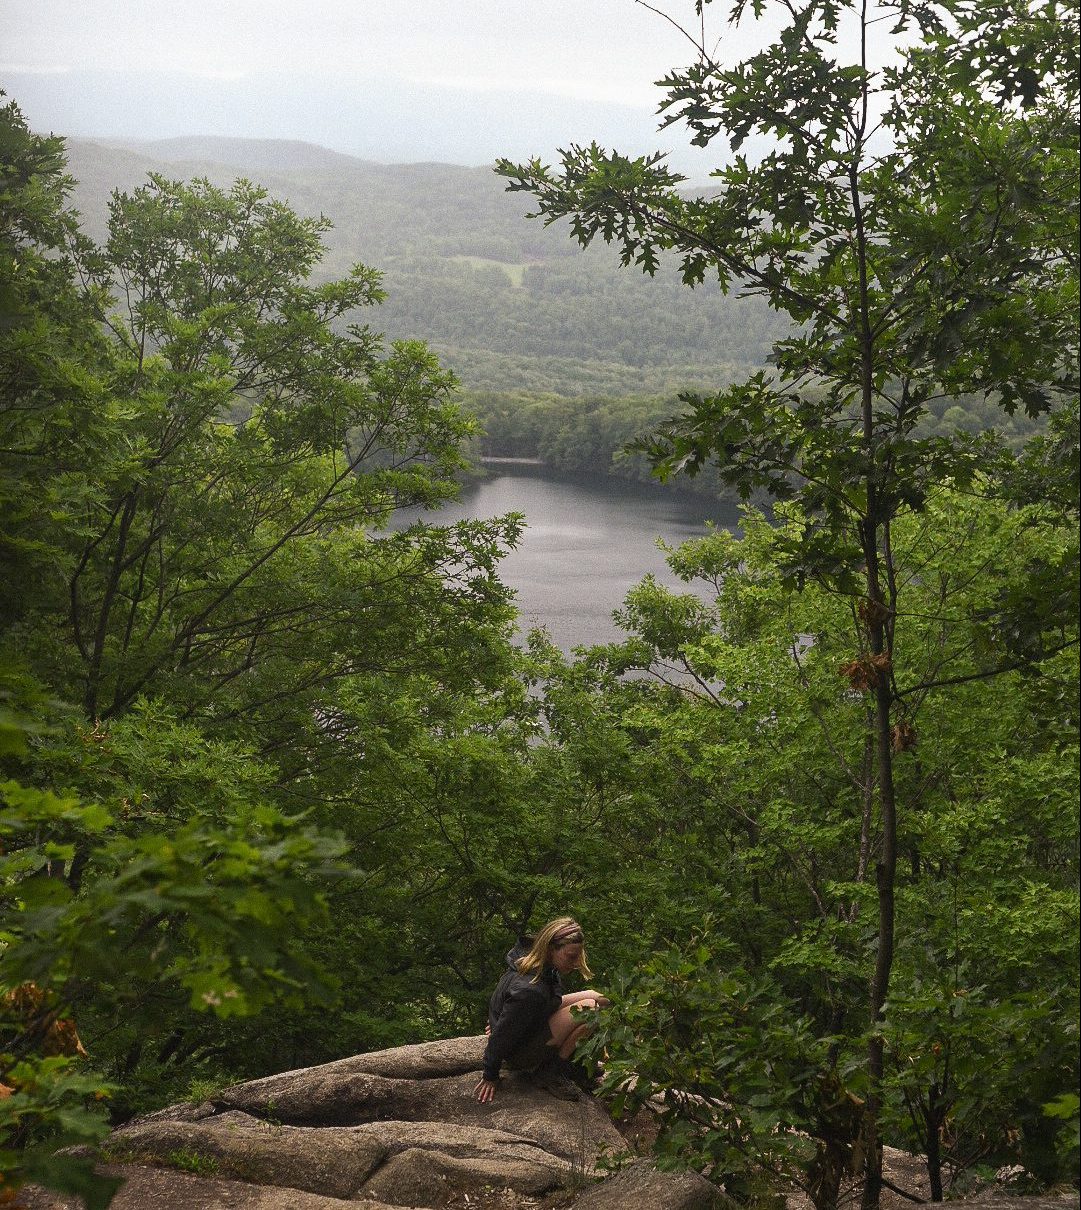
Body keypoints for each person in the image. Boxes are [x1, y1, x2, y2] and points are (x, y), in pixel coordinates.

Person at [473, 917, 609, 1103]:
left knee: (601, 998)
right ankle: (552, 1071)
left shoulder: (536, 961)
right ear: (551, 949)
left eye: (579, 955)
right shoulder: (529, 991)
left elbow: (506, 999)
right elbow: (502, 1037)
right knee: (590, 1010)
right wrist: (490, 1074)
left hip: (536, 1019)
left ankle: (575, 1064)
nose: (577, 963)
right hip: (520, 1052)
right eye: (571, 956)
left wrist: (497, 1017)